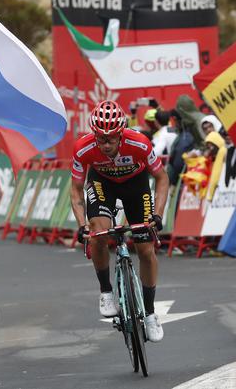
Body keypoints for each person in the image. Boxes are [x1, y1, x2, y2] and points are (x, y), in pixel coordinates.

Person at [69, 100, 169, 342]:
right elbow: (75, 190)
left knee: (145, 250)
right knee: (98, 232)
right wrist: (82, 224)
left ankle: (150, 313)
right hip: (103, 184)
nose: (105, 145)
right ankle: (106, 291)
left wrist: (158, 214)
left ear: (121, 133)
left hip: (136, 186)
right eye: (100, 139)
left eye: (111, 139)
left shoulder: (139, 144)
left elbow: (162, 179)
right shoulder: (83, 148)